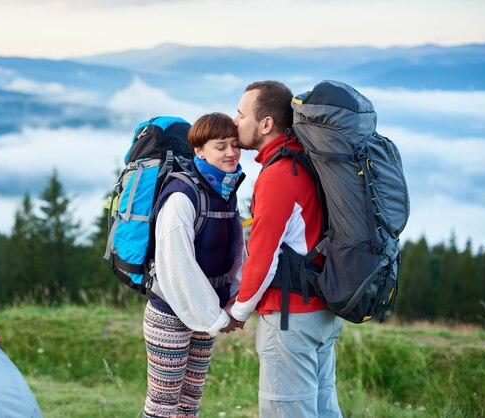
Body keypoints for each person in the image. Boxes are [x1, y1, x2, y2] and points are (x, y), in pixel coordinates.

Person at [225, 81, 344, 417]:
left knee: (287, 410)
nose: (235, 121)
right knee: (321, 408)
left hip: (291, 316)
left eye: (241, 114)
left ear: (266, 124)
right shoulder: (305, 158)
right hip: (320, 309)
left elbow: (263, 258)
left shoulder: (279, 174)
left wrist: (238, 312)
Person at [143, 112, 246, 417]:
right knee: (163, 406)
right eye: (220, 146)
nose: (231, 152)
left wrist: (232, 303)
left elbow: (236, 251)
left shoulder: (225, 191)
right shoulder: (182, 196)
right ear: (199, 150)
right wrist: (219, 318)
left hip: (208, 309)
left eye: (235, 144)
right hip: (170, 313)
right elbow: (178, 267)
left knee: (189, 404)